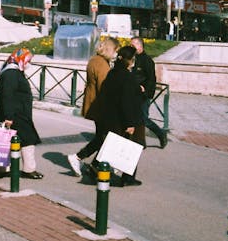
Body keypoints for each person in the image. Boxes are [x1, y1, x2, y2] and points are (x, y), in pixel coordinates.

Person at [91, 45, 145, 186]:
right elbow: (126, 101)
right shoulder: (127, 77)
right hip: (128, 118)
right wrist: (130, 123)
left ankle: (123, 175)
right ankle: (126, 177)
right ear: (129, 60)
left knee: (118, 146)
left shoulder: (113, 73)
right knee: (131, 148)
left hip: (113, 117)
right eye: (133, 59)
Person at [67, 37, 119, 177]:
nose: (116, 54)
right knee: (104, 137)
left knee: (102, 136)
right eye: (115, 50)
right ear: (110, 49)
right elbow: (105, 87)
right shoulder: (101, 64)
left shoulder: (94, 60)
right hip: (100, 105)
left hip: (94, 103)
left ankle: (94, 164)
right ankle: (79, 158)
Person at [0, 48, 44, 179]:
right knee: (27, 139)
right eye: (28, 60)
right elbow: (8, 96)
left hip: (17, 113)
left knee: (7, 140)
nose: (29, 63)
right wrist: (8, 116)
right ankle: (28, 169)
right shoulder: (11, 73)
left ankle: (3, 169)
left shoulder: (13, 71)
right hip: (16, 115)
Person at [130, 36, 168, 148]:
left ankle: (161, 134)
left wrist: (146, 93)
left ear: (140, 46)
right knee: (134, 118)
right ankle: (140, 143)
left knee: (143, 119)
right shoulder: (132, 58)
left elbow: (151, 79)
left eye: (133, 45)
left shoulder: (147, 61)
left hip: (143, 95)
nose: (131, 47)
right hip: (133, 94)